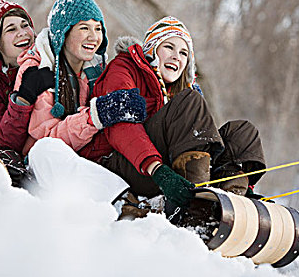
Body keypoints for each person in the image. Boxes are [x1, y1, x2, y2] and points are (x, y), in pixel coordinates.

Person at [82, 16, 266, 217]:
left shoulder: (181, 92)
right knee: (190, 102)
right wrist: (158, 170)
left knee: (243, 132)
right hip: (124, 164)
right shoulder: (124, 68)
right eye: (169, 47)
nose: (176, 56)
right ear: (152, 49)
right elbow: (121, 126)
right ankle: (194, 207)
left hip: (162, 165)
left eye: (183, 53)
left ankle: (233, 201)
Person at [14, 0, 147, 157]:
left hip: (90, 155)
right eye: (84, 28)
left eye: (98, 28)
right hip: (47, 164)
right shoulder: (39, 69)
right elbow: (44, 141)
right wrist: (96, 115)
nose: (94, 37)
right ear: (63, 34)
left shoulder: (96, 70)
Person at [0, 0, 54, 186]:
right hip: (11, 158)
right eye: (11, 29)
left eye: (25, 25)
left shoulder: (47, 59)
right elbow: (3, 142)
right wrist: (23, 98)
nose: (22, 33)